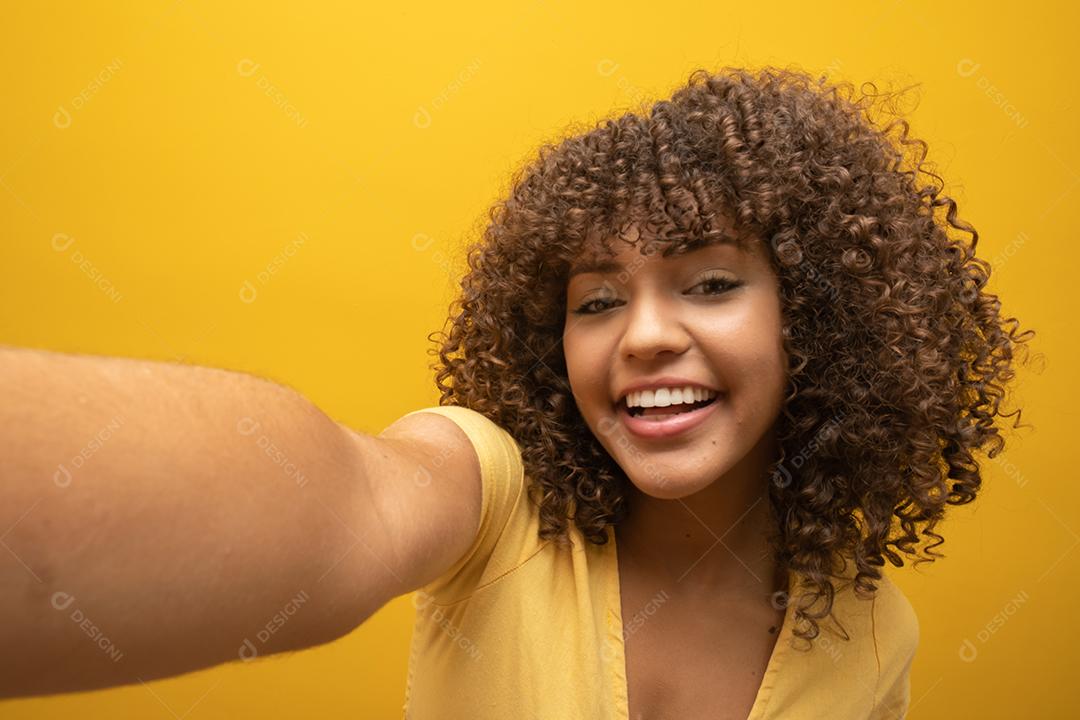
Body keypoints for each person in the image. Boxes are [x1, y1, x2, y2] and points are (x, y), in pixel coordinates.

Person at [0, 66, 1035, 718]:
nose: (644, 336)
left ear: (817, 315)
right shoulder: (492, 502)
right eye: (595, 302)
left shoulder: (873, 634)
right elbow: (343, 496)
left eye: (710, 283)